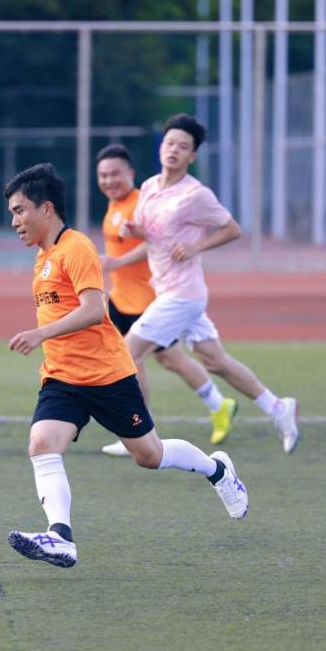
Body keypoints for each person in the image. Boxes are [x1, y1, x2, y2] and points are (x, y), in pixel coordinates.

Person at [4, 163, 248, 569]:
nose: (14, 221)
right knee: (42, 445)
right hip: (62, 377)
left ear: (46, 208)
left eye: (19, 210)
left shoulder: (76, 248)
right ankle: (60, 537)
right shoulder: (44, 257)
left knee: (149, 455)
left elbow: (93, 310)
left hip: (107, 376)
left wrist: (40, 334)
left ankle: (217, 469)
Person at [114, 113, 299, 454]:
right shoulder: (150, 187)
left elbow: (232, 228)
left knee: (128, 352)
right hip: (170, 290)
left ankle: (138, 433)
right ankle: (278, 408)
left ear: (192, 156)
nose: (174, 150)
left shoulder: (195, 194)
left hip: (182, 295)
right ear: (161, 147)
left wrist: (196, 247)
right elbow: (153, 235)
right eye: (170, 143)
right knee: (214, 361)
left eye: (183, 147)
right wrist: (135, 231)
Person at [95, 143, 238, 458]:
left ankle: (139, 430)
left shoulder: (139, 202)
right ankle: (218, 405)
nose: (109, 180)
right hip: (123, 300)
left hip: (147, 300)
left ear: (130, 173)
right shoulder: (114, 206)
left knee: (138, 362)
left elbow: (153, 243)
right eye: (103, 175)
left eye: (115, 174)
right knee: (168, 360)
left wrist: (117, 263)